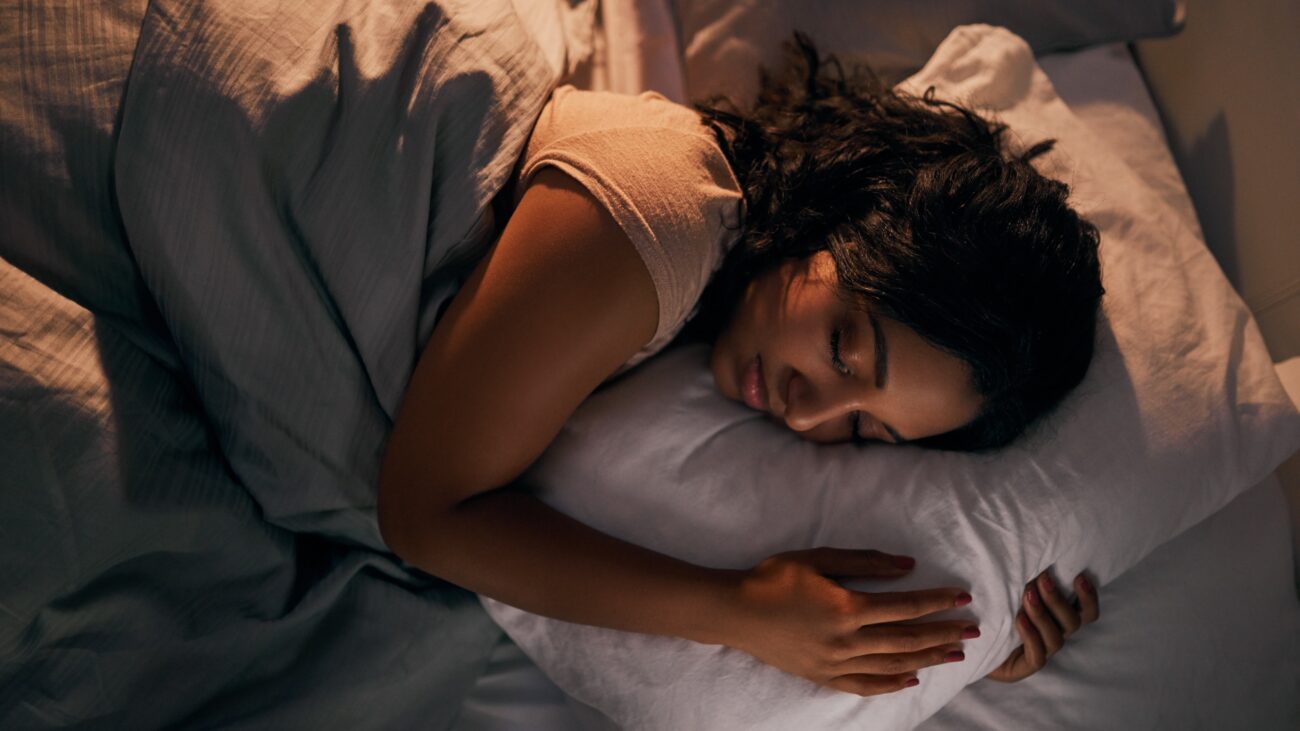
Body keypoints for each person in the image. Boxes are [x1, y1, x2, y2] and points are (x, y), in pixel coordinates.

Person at [377, 33, 1104, 698]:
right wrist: (737, 609)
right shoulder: (663, 215)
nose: (806, 409)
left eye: (861, 428)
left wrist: (974, 655)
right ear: (843, 217)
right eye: (843, 346)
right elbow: (423, 518)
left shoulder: (712, 291)